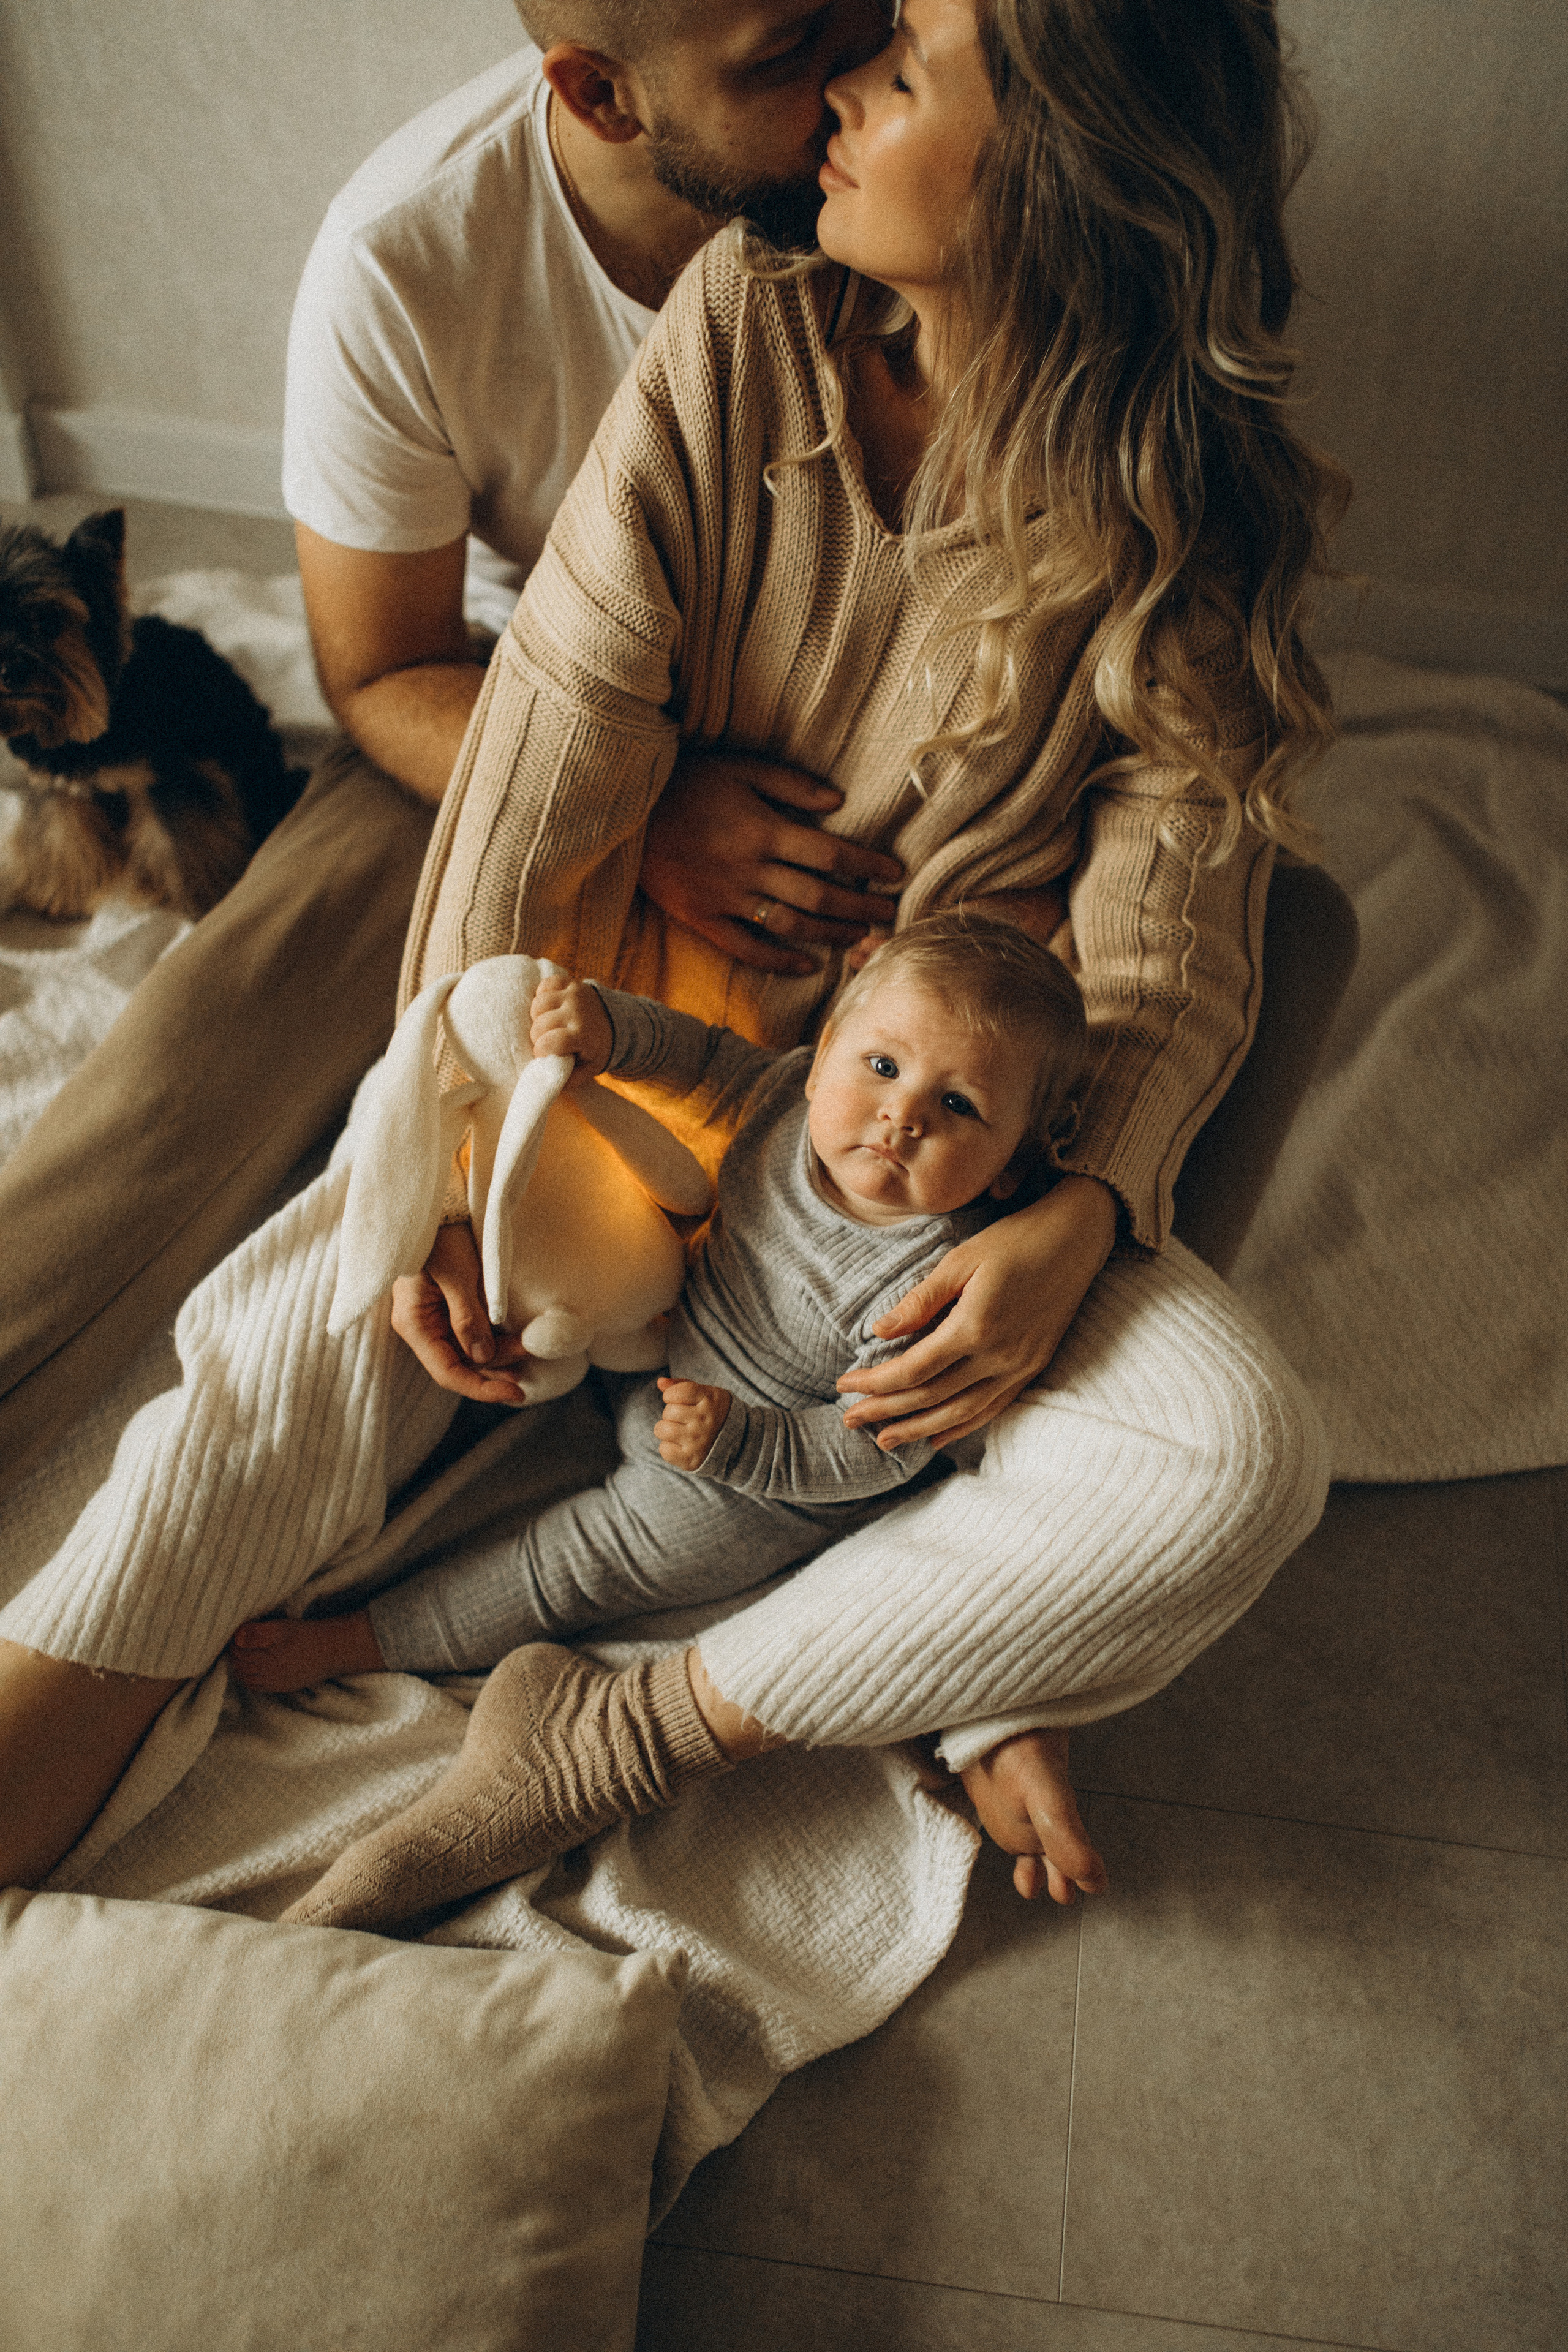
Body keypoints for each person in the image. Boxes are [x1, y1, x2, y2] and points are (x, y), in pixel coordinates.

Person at [0, 0, 1339, 1912]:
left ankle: (644, 1719)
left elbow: (1176, 926)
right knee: (314, 1341)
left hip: (918, 1152)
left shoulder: (1187, 513)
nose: (856, 76)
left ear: (1064, 167)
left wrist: (1090, 1209)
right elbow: (547, 741)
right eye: (856, 41)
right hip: (641, 1042)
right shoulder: (741, 324)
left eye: (910, 55)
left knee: (1234, 1462)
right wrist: (453, 1150)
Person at [230, 913, 1087, 1702]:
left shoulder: (939, 1280)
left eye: (959, 1106)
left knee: (572, 1564)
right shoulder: (789, 1103)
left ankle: (361, 1643)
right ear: (825, 1055)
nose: (902, 1115)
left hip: (754, 1488)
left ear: (1010, 1168)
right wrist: (610, 1032)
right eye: (883, 1066)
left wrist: (743, 1443)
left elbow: (882, 1447)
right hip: (656, 1339)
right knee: (527, 1309)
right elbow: (707, 1063)